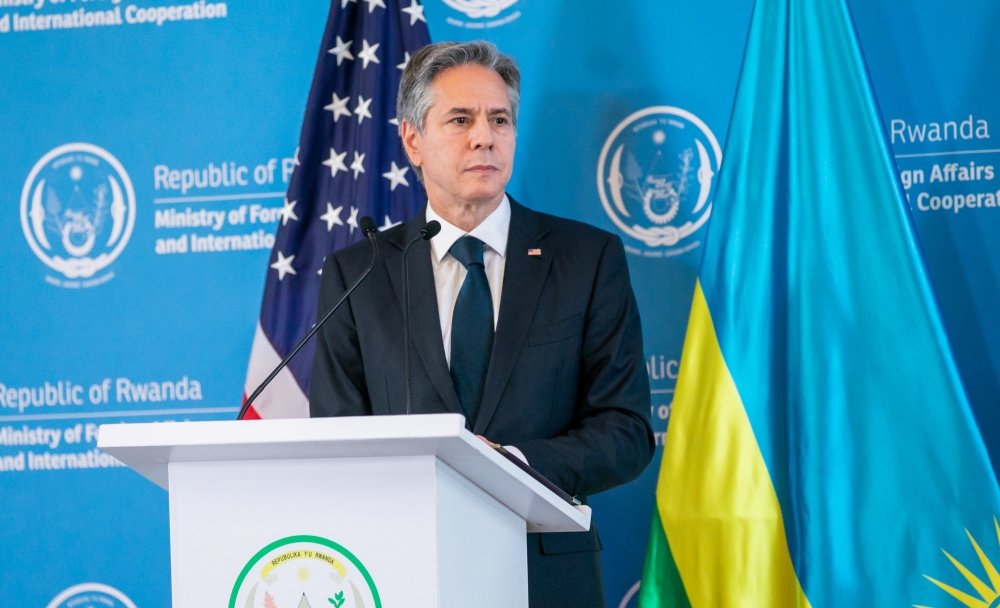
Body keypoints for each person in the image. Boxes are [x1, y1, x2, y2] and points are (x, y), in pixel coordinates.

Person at [310, 40, 654, 608]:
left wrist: (513, 467)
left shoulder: (586, 259)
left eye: (500, 119)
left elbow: (627, 431)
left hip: (544, 574)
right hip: (403, 573)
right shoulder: (358, 274)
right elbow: (338, 442)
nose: (484, 137)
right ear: (413, 140)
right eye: (461, 119)